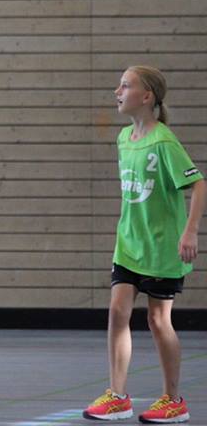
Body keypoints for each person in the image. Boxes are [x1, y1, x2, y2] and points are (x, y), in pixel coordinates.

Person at [83, 66, 203, 424]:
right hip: (129, 243)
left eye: (125, 85)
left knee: (157, 319)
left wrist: (190, 231)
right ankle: (117, 396)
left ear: (146, 96)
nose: (117, 91)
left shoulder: (164, 142)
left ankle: (173, 400)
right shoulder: (124, 138)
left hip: (162, 247)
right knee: (118, 312)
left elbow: (199, 184)